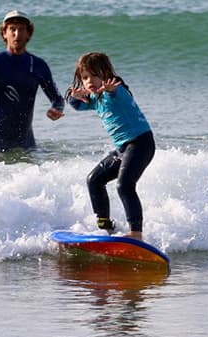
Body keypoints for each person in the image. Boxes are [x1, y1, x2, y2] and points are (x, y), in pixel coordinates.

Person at [65, 52, 156, 240]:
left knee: (124, 185)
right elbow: (76, 104)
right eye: (85, 77)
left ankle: (136, 234)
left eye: (94, 75)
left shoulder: (116, 92)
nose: (89, 81)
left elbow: (114, 92)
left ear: (106, 73)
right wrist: (74, 95)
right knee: (94, 180)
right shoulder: (96, 100)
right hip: (124, 149)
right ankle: (105, 227)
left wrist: (109, 89)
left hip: (141, 144)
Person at [0, 10, 65, 153]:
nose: (17, 34)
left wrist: (56, 109)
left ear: (28, 34)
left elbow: (58, 99)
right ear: (4, 33)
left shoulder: (38, 65)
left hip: (27, 144)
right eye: (12, 29)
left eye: (21, 29)